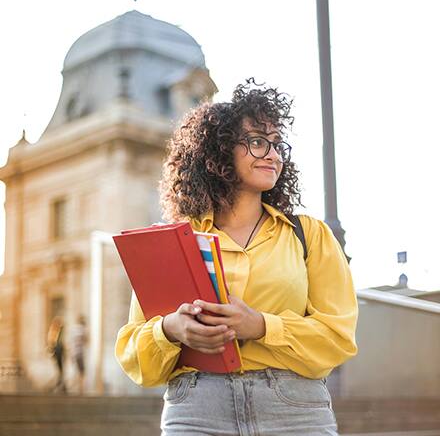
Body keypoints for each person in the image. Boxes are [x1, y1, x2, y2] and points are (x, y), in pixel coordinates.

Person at [115, 78, 358, 435]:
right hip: (197, 410)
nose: (273, 155)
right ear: (220, 151)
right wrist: (171, 329)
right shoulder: (174, 244)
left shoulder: (309, 235)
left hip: (294, 410)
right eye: (258, 142)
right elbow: (136, 357)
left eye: (277, 145)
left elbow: (338, 338)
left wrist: (261, 325)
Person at [47, 316, 67, 393]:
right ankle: (60, 385)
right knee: (60, 369)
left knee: (60, 369)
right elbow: (52, 343)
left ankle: (61, 385)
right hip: (58, 351)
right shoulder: (54, 331)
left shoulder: (55, 331)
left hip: (58, 351)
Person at [70, 314, 88, 394]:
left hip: (74, 353)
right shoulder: (81, 329)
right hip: (79, 353)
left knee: (77, 371)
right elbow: (86, 340)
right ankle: (80, 389)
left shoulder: (73, 329)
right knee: (81, 372)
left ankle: (77, 388)